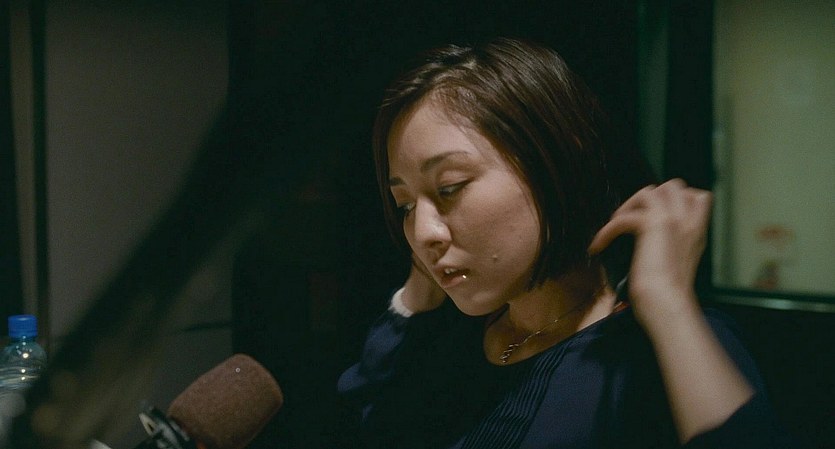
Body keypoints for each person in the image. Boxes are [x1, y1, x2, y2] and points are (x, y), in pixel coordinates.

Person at [338, 38, 796, 448]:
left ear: (557, 158)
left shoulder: (652, 349)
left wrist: (667, 302)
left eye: (450, 187)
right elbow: (367, 420)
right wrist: (416, 295)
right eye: (404, 206)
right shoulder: (455, 336)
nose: (423, 232)